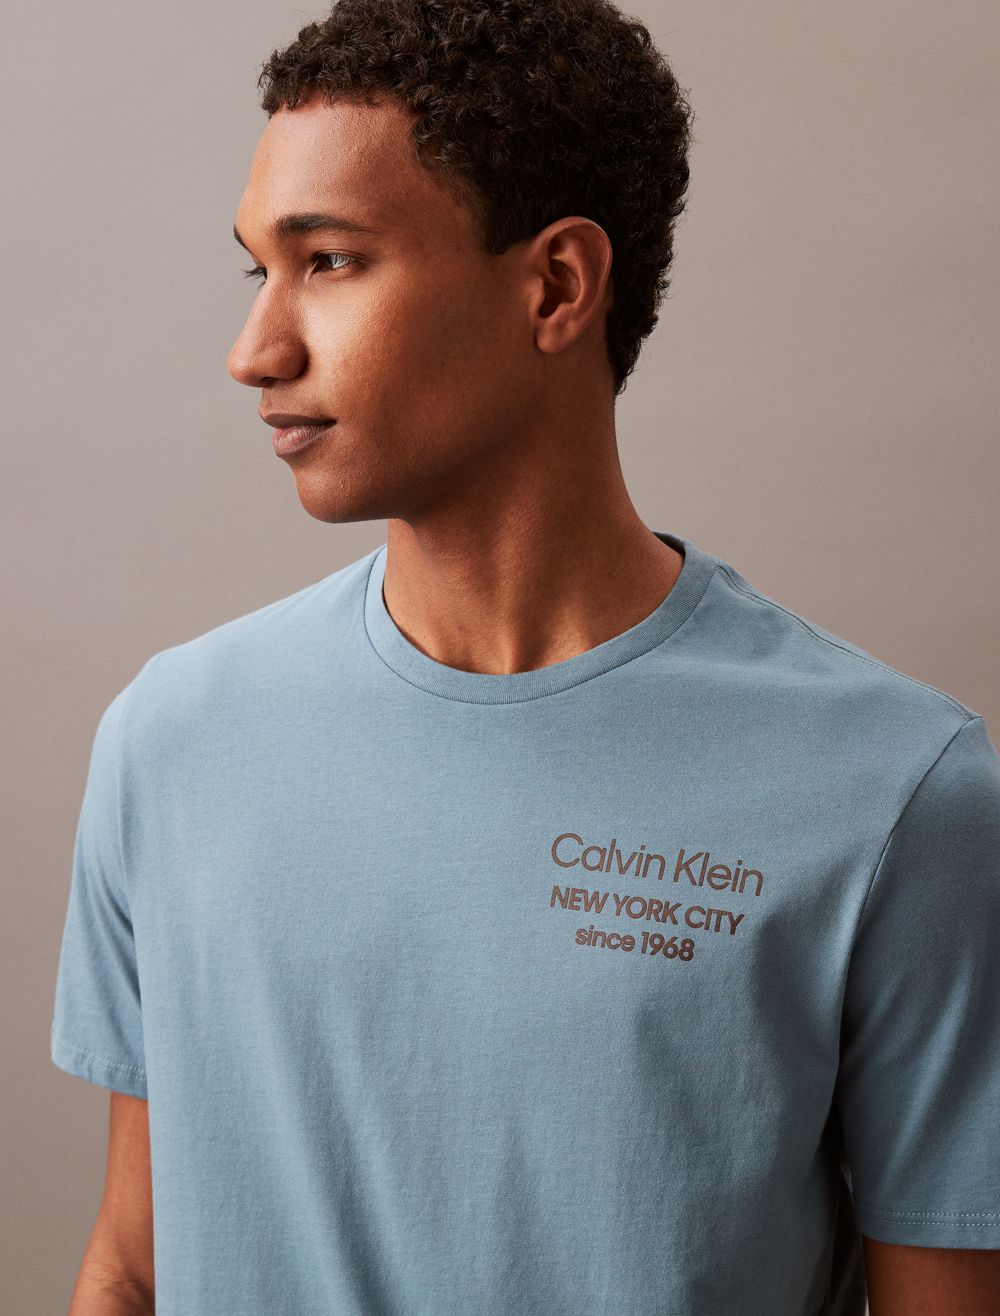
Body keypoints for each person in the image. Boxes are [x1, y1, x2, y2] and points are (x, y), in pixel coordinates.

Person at [50, 1, 1000, 1313]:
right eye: (257, 269)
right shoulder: (171, 738)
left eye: (329, 260)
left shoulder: (899, 792)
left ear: (554, 285)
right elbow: (133, 1265)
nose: (255, 350)